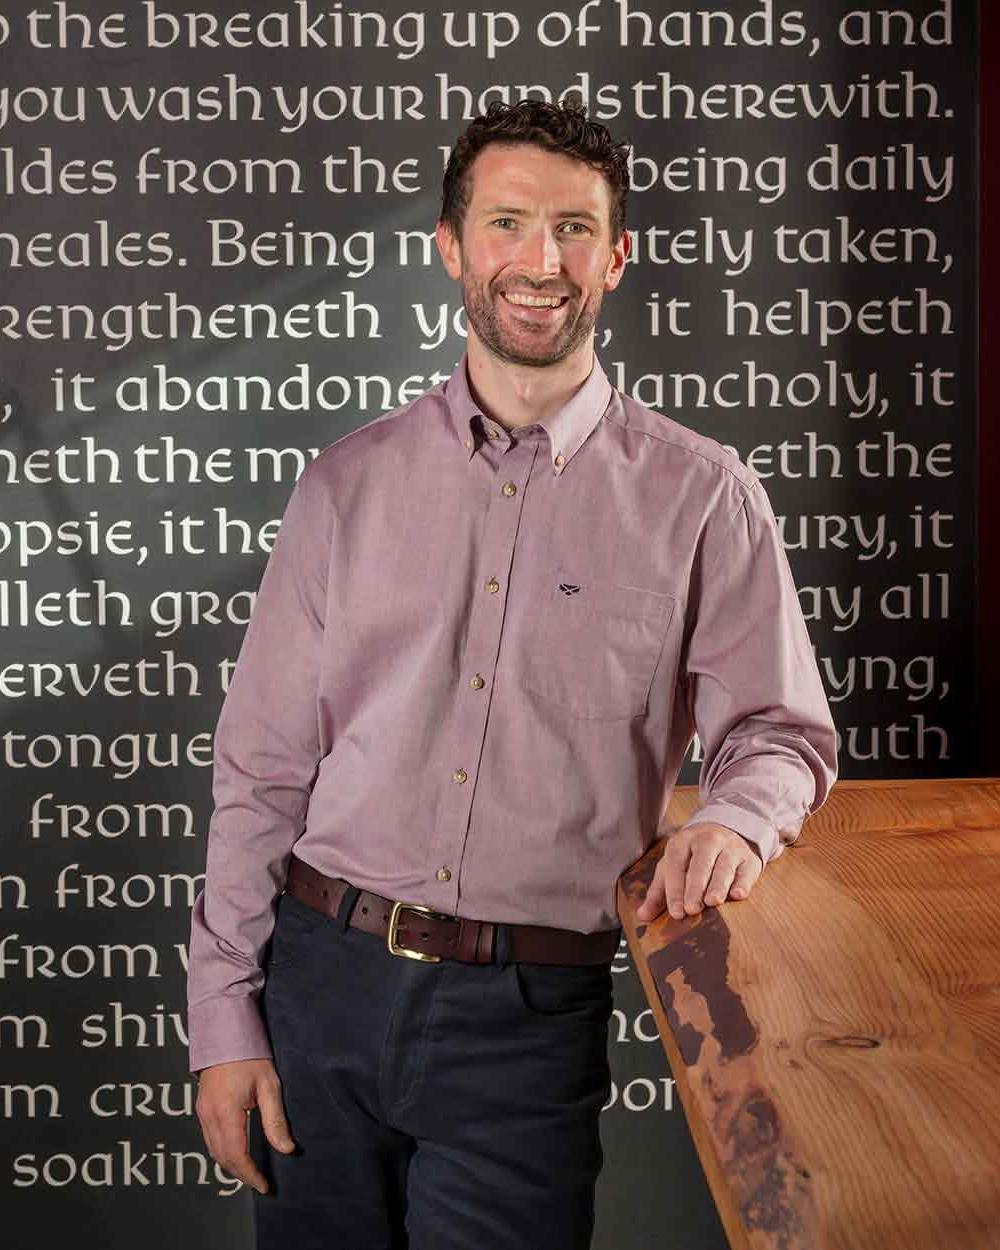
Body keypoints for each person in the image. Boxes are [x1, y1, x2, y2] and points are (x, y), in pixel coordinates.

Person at [187, 98, 838, 1249]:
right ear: (451, 247)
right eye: (507, 223)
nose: (541, 262)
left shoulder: (702, 496)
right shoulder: (343, 488)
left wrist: (738, 818)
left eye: (575, 229)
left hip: (528, 1019)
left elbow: (779, 732)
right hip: (319, 991)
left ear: (618, 256)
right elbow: (260, 775)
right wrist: (224, 1020)